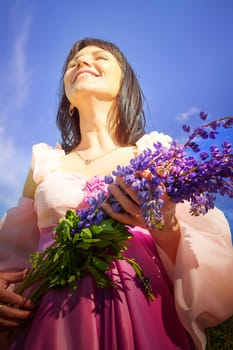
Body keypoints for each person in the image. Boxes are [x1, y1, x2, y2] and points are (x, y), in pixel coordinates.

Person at [0, 37, 232, 350]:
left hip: (142, 311)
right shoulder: (44, 162)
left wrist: (166, 227)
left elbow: (211, 266)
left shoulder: (158, 152)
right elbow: (14, 256)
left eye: (99, 57)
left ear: (123, 83)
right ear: (68, 100)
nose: (81, 63)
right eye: (72, 63)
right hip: (51, 320)